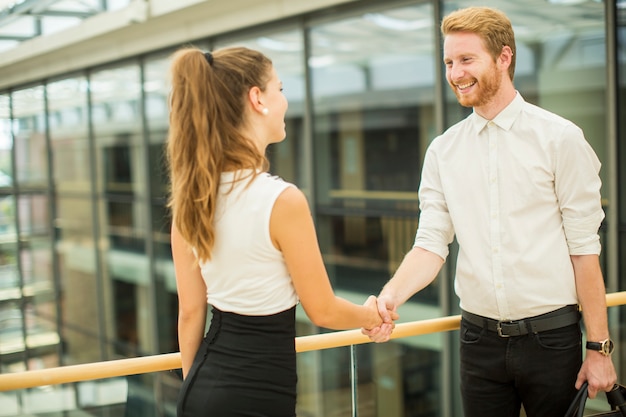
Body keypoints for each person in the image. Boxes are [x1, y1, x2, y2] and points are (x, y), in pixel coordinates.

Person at [363, 6, 617, 417]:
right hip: (477, 343)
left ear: (504, 57)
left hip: (552, 340)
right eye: (448, 62)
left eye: (466, 59)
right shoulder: (443, 150)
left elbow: (584, 249)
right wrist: (390, 297)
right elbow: (430, 243)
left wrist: (599, 348)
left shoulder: (560, 139)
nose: (455, 73)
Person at [167, 46, 394, 417]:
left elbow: (191, 312)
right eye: (280, 88)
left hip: (201, 390)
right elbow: (322, 310)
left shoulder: (192, 203)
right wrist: (372, 316)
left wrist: (195, 390)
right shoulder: (281, 200)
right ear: (257, 99)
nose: (285, 101)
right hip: (257, 397)